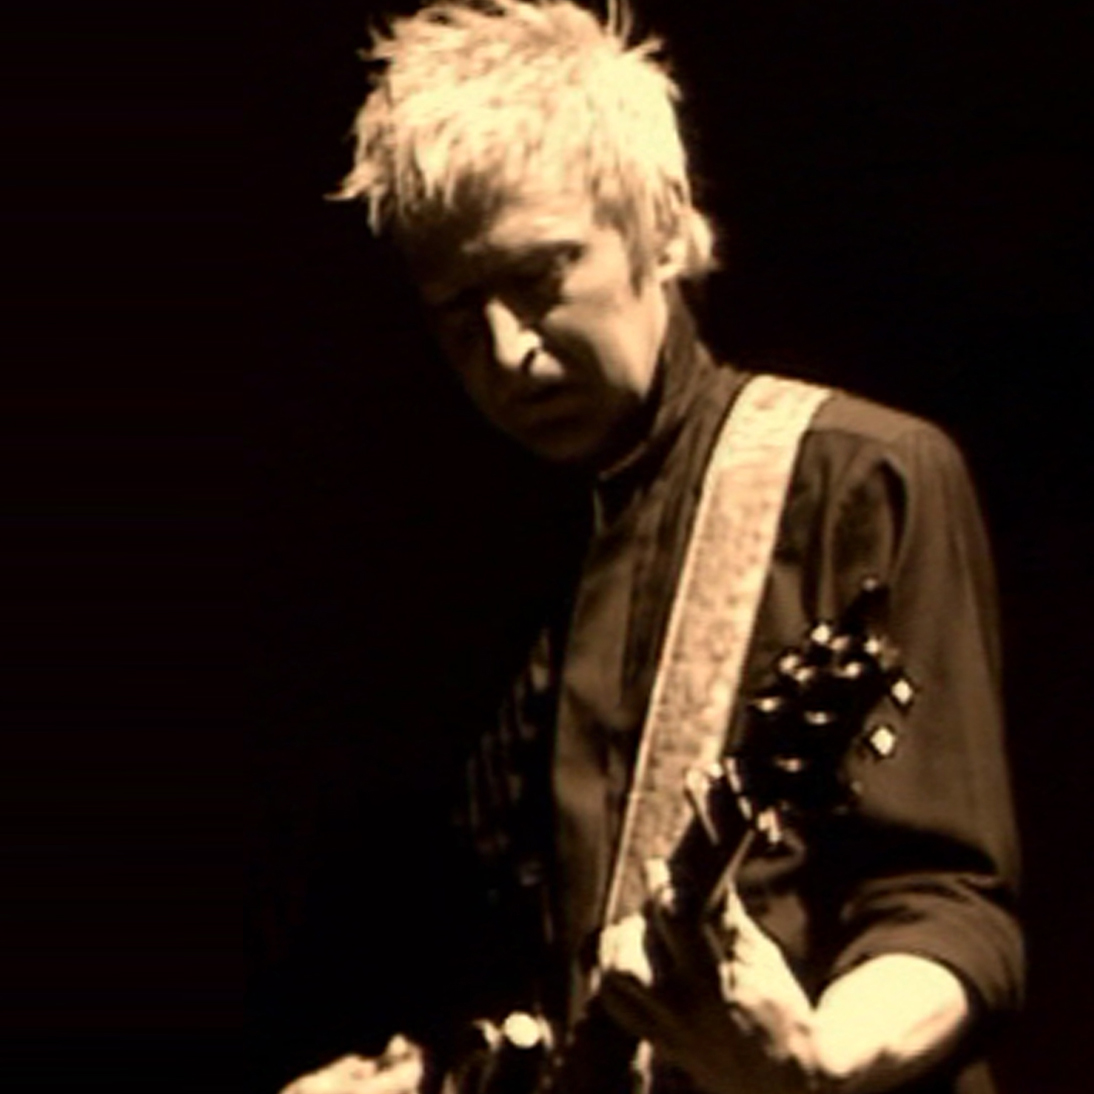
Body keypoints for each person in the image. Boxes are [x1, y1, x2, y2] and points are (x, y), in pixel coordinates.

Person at [278, 2, 1023, 1092]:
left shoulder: (854, 474)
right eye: (456, 310)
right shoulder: (473, 564)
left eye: (541, 276)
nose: (506, 351)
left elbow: (953, 909)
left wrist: (818, 1060)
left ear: (662, 229)